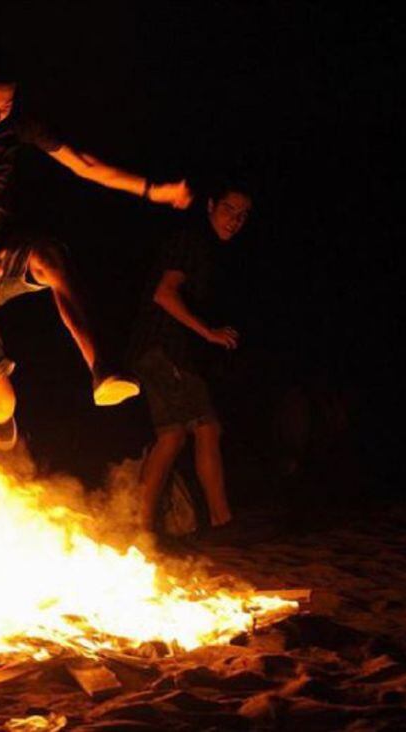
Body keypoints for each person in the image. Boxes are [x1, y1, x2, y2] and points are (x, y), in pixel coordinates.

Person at [0, 70, 192, 449]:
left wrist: (151, 190)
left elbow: (86, 164)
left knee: (49, 255)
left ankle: (102, 370)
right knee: (2, 406)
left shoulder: (17, 127)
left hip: (1, 255)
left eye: (5, 105)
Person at [127, 180, 253, 535]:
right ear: (211, 205)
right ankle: (220, 520)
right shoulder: (191, 241)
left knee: (173, 436)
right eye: (230, 209)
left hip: (164, 351)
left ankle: (143, 525)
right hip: (163, 348)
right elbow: (164, 294)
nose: (235, 220)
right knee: (206, 427)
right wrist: (209, 333)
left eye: (243, 215)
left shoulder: (209, 250)